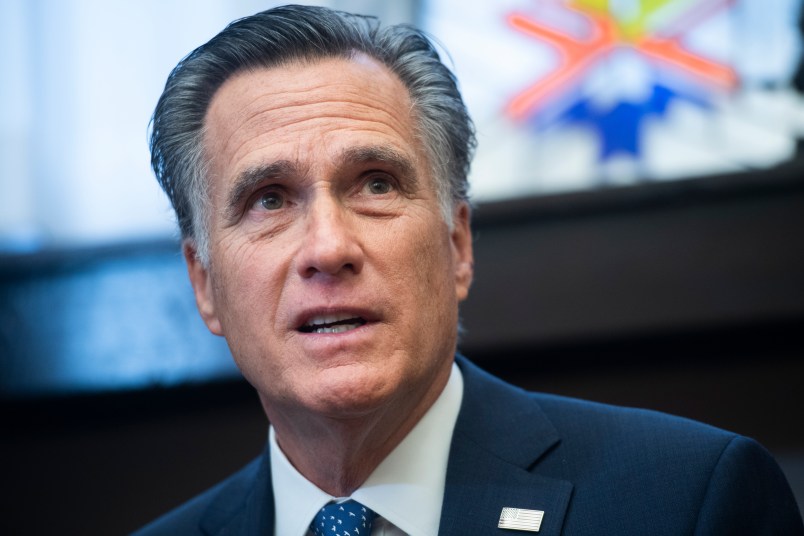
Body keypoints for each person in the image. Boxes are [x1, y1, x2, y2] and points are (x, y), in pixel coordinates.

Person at [135, 5, 803, 535]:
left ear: (457, 243)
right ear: (204, 284)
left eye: (375, 185)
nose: (328, 247)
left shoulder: (686, 500)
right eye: (269, 200)